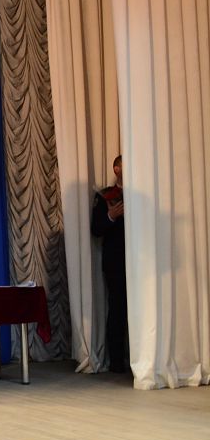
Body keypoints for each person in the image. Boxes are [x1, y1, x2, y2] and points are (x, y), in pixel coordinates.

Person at [91, 154, 127, 373]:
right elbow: (95, 229)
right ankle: (116, 362)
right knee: (118, 309)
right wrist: (111, 216)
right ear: (116, 169)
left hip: (143, 263)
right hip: (116, 262)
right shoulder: (105, 196)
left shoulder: (144, 194)